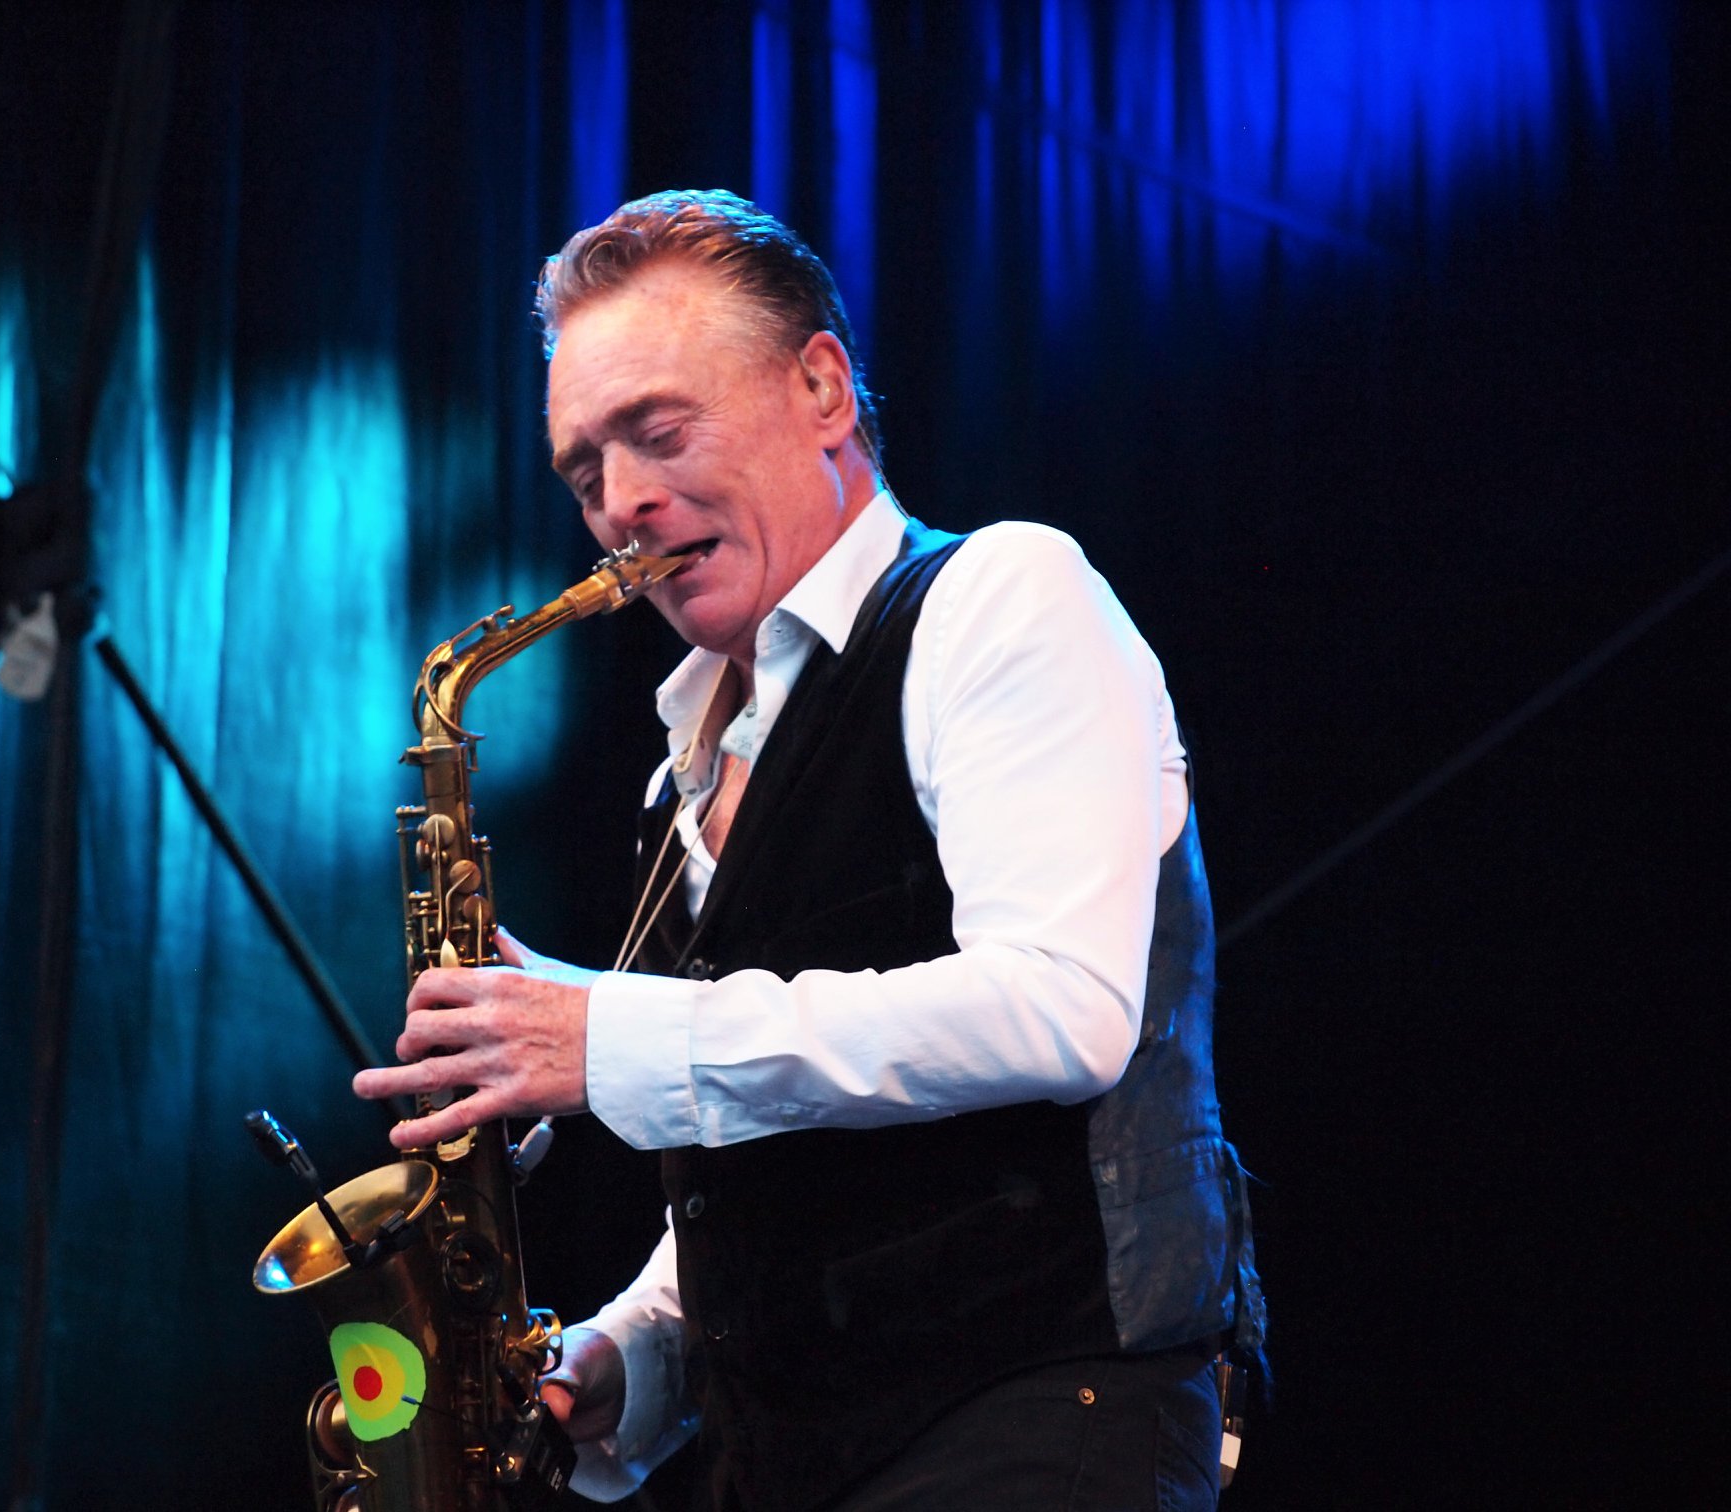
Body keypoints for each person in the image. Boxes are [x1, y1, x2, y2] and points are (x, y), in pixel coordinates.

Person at [353, 190, 1266, 1511]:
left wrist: (613, 1036)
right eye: (584, 472)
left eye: (659, 432)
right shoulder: (683, 776)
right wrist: (631, 1357)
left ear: (824, 389)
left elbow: (1061, 1010)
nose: (622, 504)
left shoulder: (1002, 596)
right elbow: (777, 1179)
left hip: (1037, 1426)